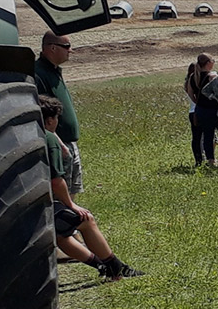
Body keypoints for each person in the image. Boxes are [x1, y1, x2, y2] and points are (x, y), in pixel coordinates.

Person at [40, 97, 142, 282]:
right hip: (38, 209)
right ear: (49, 121)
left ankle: (103, 267)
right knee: (85, 219)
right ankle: (115, 267)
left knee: (61, 233)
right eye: (56, 119)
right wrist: (71, 204)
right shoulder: (47, 138)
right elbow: (56, 180)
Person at [32, 32, 84, 196]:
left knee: (71, 194)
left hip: (69, 144)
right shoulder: (38, 73)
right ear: (52, 48)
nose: (70, 50)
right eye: (66, 46)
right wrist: (59, 144)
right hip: (58, 145)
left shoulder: (54, 71)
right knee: (61, 196)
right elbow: (42, 115)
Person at [184, 53, 218, 167]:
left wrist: (198, 103)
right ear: (208, 63)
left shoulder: (191, 79)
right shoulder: (211, 76)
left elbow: (190, 94)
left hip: (197, 111)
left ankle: (202, 161)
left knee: (199, 138)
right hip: (211, 110)